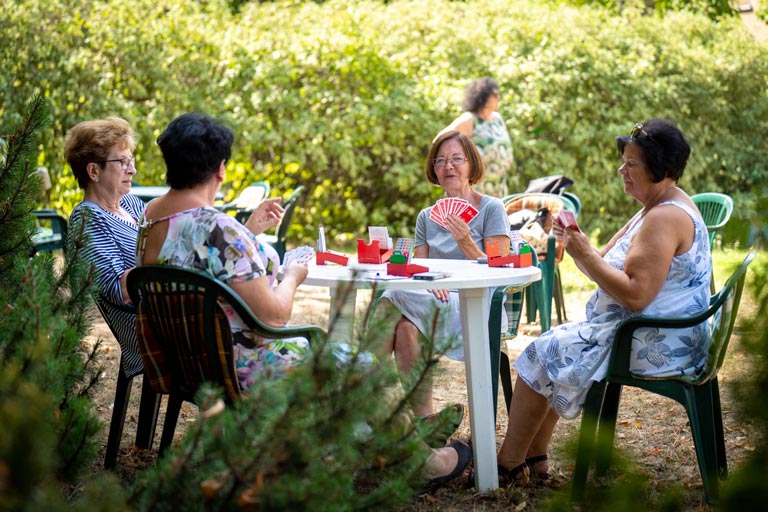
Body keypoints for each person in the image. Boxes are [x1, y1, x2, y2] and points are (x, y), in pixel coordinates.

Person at [137, 112, 471, 486]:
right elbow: (275, 315)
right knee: (360, 363)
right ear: (221, 169)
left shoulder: (151, 223)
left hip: (191, 364)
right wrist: (293, 275)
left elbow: (204, 270)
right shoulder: (219, 229)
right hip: (242, 367)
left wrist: (250, 239)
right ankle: (419, 462)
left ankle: (382, 448)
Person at [495, 119, 711, 484]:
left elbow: (636, 295)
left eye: (632, 164)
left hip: (653, 339)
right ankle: (534, 459)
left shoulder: (664, 218)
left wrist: (585, 254)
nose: (621, 170)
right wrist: (579, 246)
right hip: (648, 330)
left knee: (538, 352)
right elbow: (608, 261)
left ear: (660, 170)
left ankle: (507, 463)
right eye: (623, 161)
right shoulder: (659, 204)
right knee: (554, 347)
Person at [65, 117, 284, 380]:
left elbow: (182, 247)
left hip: (181, 323)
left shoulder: (133, 204)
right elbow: (115, 291)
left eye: (131, 160)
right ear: (93, 171)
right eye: (122, 162)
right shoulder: (87, 219)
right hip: (154, 335)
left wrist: (244, 232)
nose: (132, 169)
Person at [377, 131, 512, 418]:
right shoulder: (427, 217)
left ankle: (358, 387)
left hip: (476, 306)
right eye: (440, 161)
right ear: (434, 170)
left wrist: (466, 241)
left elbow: (499, 268)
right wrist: (428, 286)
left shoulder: (491, 208)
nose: (448, 166)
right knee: (404, 329)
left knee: (392, 294)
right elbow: (422, 270)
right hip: (433, 301)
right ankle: (427, 425)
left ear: (471, 165)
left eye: (456, 159)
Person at [436, 77, 513, 197]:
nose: (498, 97)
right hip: (475, 190)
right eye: (495, 94)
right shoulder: (469, 119)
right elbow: (439, 140)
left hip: (498, 188)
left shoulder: (498, 119)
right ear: (483, 97)